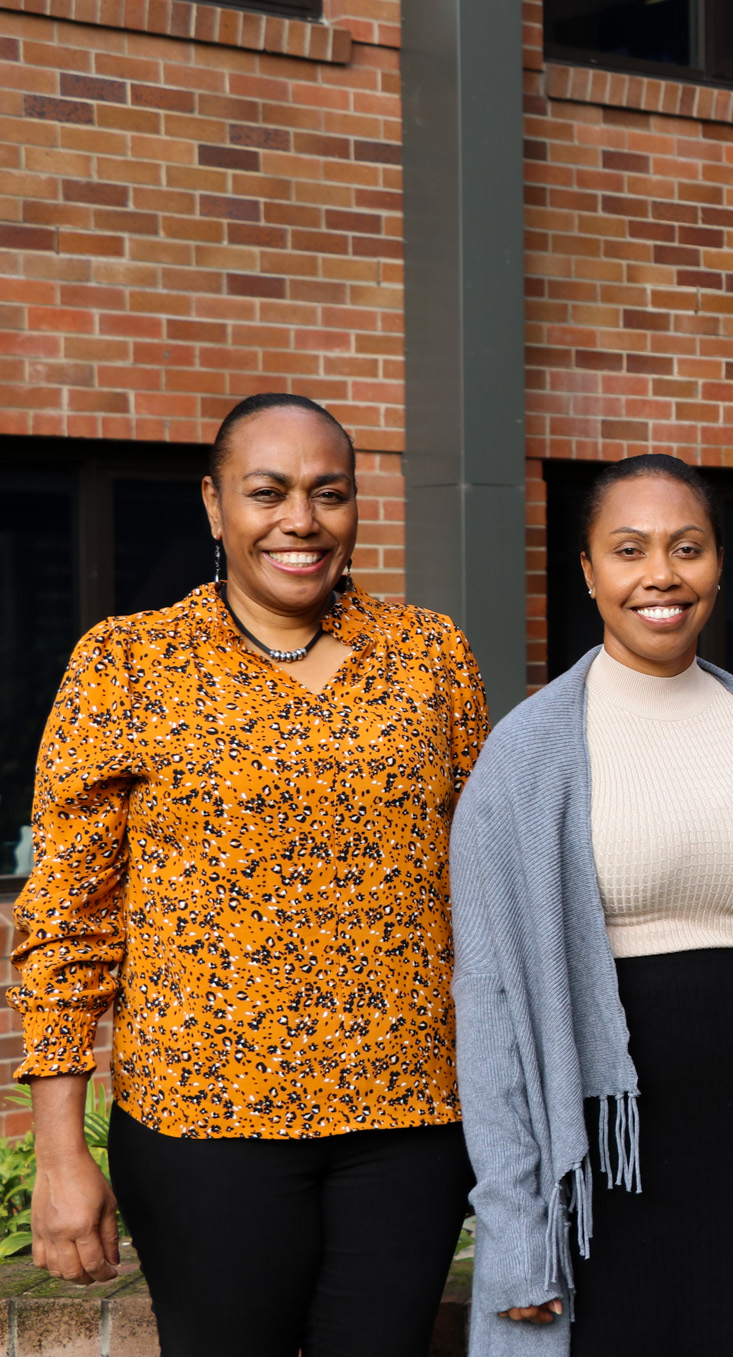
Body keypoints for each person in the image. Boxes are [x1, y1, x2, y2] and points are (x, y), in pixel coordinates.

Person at [11, 392, 488, 1356]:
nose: (300, 520)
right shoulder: (127, 663)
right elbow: (67, 916)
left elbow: (482, 882)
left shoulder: (431, 657)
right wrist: (59, 1149)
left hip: (411, 1121)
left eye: (329, 493)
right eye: (267, 492)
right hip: (204, 1125)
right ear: (213, 503)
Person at [452, 453, 733, 1357]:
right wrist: (516, 1222)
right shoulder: (525, 754)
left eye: (687, 548)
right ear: (588, 571)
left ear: (718, 564)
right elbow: (488, 1005)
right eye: (629, 549)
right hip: (605, 1152)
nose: (661, 575)